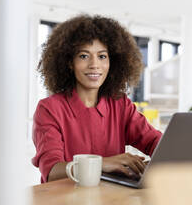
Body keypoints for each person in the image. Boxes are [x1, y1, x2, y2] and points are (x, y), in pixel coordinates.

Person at [32, 14, 162, 183]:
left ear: (112, 62)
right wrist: (103, 163)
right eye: (84, 56)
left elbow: (155, 142)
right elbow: (51, 171)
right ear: (69, 62)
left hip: (112, 200)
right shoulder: (49, 109)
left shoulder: (120, 104)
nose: (94, 65)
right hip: (64, 203)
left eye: (102, 56)